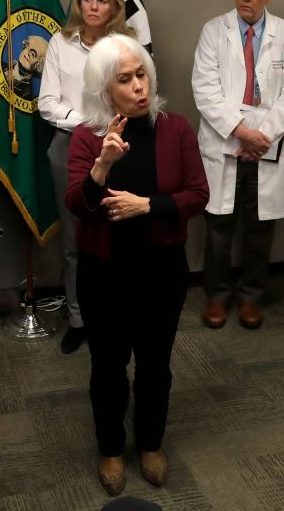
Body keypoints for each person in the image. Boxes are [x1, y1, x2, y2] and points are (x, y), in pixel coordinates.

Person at [66, 34, 208, 496]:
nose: (138, 87)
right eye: (124, 80)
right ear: (106, 90)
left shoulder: (177, 128)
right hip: (104, 273)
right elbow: (77, 204)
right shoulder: (87, 136)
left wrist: (148, 205)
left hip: (161, 270)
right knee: (107, 365)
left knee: (155, 363)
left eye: (141, 74)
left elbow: (197, 195)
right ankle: (110, 447)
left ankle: (149, 441)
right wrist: (103, 164)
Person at [192, 0, 284, 330]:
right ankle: (217, 296)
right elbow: (205, 91)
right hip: (225, 142)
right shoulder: (213, 31)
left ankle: (252, 296)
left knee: (259, 227)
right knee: (218, 227)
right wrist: (242, 132)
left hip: (266, 147)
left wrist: (261, 139)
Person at [39, 0, 135, 354]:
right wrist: (90, 127)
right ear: (79, 4)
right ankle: (79, 318)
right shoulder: (60, 43)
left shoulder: (126, 44)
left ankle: (118, 311)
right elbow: (47, 102)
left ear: (114, 7)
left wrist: (110, 130)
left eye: (102, 1)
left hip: (123, 146)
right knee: (75, 239)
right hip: (70, 147)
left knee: (119, 230)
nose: (94, 7)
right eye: (87, 0)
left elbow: (138, 92)